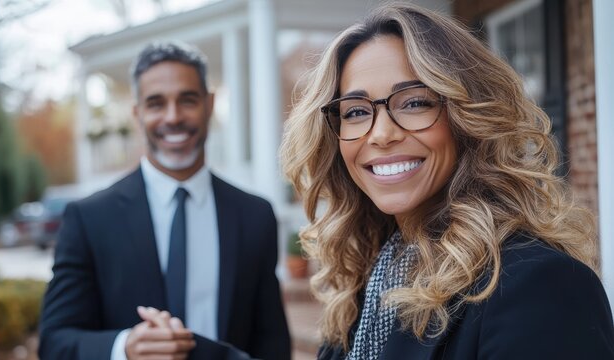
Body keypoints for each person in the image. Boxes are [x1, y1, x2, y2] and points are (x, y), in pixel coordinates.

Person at [280, 3, 614, 360]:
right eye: (356, 112)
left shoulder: (540, 286)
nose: (381, 134)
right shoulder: (370, 280)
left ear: (467, 117)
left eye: (415, 103)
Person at [39, 42, 291, 360]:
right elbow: (55, 342)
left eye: (187, 100)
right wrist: (123, 348)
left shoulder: (255, 215)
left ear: (209, 104)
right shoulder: (88, 218)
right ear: (137, 113)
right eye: (156, 104)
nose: (173, 117)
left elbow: (272, 342)